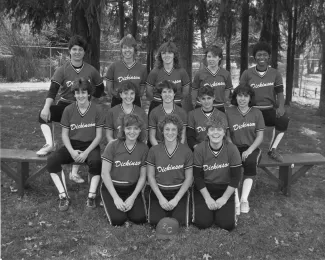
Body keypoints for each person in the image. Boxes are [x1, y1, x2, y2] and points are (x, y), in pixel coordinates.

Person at [37, 35, 104, 183]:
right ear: (69, 51)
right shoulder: (62, 69)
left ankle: (74, 172)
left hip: (83, 106)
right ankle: (50, 144)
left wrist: (91, 99)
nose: (77, 52)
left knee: (81, 132)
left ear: (84, 52)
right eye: (74, 49)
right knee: (43, 115)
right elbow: (53, 90)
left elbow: (100, 88)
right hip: (65, 104)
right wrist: (47, 107)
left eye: (80, 49)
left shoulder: (91, 70)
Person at [46, 78, 104, 211]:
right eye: (77, 93)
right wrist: (72, 151)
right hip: (72, 145)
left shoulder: (97, 109)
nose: (81, 95)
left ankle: (91, 196)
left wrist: (86, 153)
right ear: (74, 94)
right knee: (52, 161)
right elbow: (65, 135)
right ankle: (63, 196)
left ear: (89, 93)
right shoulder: (68, 110)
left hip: (91, 145)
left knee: (96, 162)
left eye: (84, 92)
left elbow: (99, 136)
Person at [240, 41, 289, 162]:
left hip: (268, 109)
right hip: (252, 110)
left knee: (283, 119)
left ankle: (273, 150)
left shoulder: (275, 74)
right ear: (254, 56)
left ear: (269, 57)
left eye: (265, 54)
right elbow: (241, 93)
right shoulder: (247, 73)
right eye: (259, 54)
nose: (262, 57)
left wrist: (281, 106)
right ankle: (246, 150)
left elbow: (279, 93)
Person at [192, 117, 242, 231]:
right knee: (203, 223)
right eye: (212, 129)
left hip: (224, 188)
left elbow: (236, 177)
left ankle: (220, 211)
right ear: (207, 132)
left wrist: (224, 198)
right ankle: (208, 210)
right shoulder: (200, 149)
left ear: (224, 132)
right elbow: (198, 177)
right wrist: (208, 198)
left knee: (227, 225)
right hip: (205, 187)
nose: (215, 133)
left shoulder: (232, 149)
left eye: (219, 129)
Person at [100, 114, 149, 226]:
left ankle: (129, 204)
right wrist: (116, 198)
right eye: (128, 128)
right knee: (118, 220)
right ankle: (109, 203)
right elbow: (104, 173)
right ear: (123, 129)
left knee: (139, 219)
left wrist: (132, 197)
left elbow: (142, 177)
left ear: (140, 130)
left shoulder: (144, 148)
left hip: (131, 189)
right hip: (112, 187)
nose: (132, 132)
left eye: (136, 128)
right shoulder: (112, 145)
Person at [146, 114, 193, 226]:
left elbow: (189, 178)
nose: (170, 132)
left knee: (182, 222)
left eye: (173, 129)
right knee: (155, 223)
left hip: (179, 191)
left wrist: (176, 199)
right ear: (162, 131)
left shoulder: (186, 151)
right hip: (160, 190)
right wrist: (161, 198)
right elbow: (151, 177)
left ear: (178, 132)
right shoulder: (154, 150)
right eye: (167, 129)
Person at [226, 85, 265, 214]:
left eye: (245, 96)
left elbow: (260, 136)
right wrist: (233, 149)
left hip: (251, 146)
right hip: (234, 146)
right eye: (239, 95)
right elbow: (227, 136)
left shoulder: (257, 113)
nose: (242, 99)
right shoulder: (229, 112)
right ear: (235, 97)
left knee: (250, 161)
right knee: (232, 165)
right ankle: (235, 200)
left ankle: (244, 199)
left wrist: (249, 150)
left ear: (250, 98)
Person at [146, 41, 190, 114]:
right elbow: (149, 93)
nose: (167, 55)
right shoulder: (154, 72)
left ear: (174, 55)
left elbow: (185, 92)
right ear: (160, 55)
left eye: (170, 52)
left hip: (176, 105)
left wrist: (174, 100)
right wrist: (162, 101)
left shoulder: (182, 72)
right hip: (157, 106)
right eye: (163, 53)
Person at [105, 34, 147, 108]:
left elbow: (141, 92)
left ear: (134, 49)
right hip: (117, 103)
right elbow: (109, 90)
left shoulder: (142, 68)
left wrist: (130, 97)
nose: (127, 50)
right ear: (121, 50)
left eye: (130, 47)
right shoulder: (113, 67)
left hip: (135, 103)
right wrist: (121, 96)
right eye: (124, 48)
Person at [192, 45, 232, 112]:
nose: (211, 59)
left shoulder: (226, 74)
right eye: (209, 56)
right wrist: (195, 102)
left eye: (214, 57)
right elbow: (194, 90)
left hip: (219, 107)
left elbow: (227, 89)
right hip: (203, 107)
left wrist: (225, 100)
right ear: (206, 58)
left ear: (219, 58)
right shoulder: (200, 74)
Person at [187, 84, 228, 151]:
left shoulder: (221, 115)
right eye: (203, 98)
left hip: (217, 148)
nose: (206, 101)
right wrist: (198, 148)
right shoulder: (192, 114)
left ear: (213, 97)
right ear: (199, 99)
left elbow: (224, 136)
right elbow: (190, 137)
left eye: (209, 98)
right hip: (199, 148)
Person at [148, 80, 187, 146]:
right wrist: (159, 150)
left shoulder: (182, 112)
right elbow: (152, 137)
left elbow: (182, 136)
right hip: (159, 145)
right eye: (164, 92)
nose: (167, 95)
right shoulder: (154, 112)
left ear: (174, 94)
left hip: (177, 146)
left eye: (170, 92)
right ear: (161, 94)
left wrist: (177, 149)